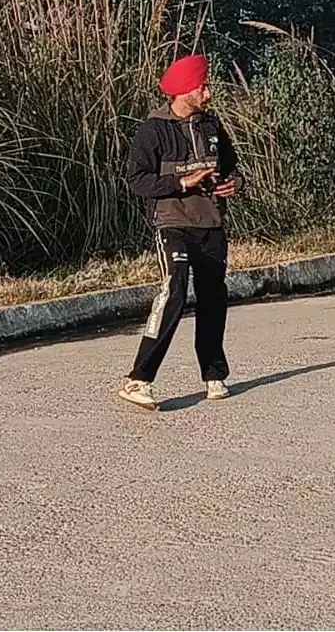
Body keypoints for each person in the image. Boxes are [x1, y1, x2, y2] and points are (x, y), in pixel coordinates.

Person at [119, 54, 243, 409]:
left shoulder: (211, 125)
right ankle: (138, 378)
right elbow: (137, 180)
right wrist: (183, 182)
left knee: (213, 297)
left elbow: (232, 167)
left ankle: (214, 373)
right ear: (185, 91)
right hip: (172, 222)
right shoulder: (153, 130)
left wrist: (235, 183)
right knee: (174, 289)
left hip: (212, 224)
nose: (208, 93)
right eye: (202, 87)